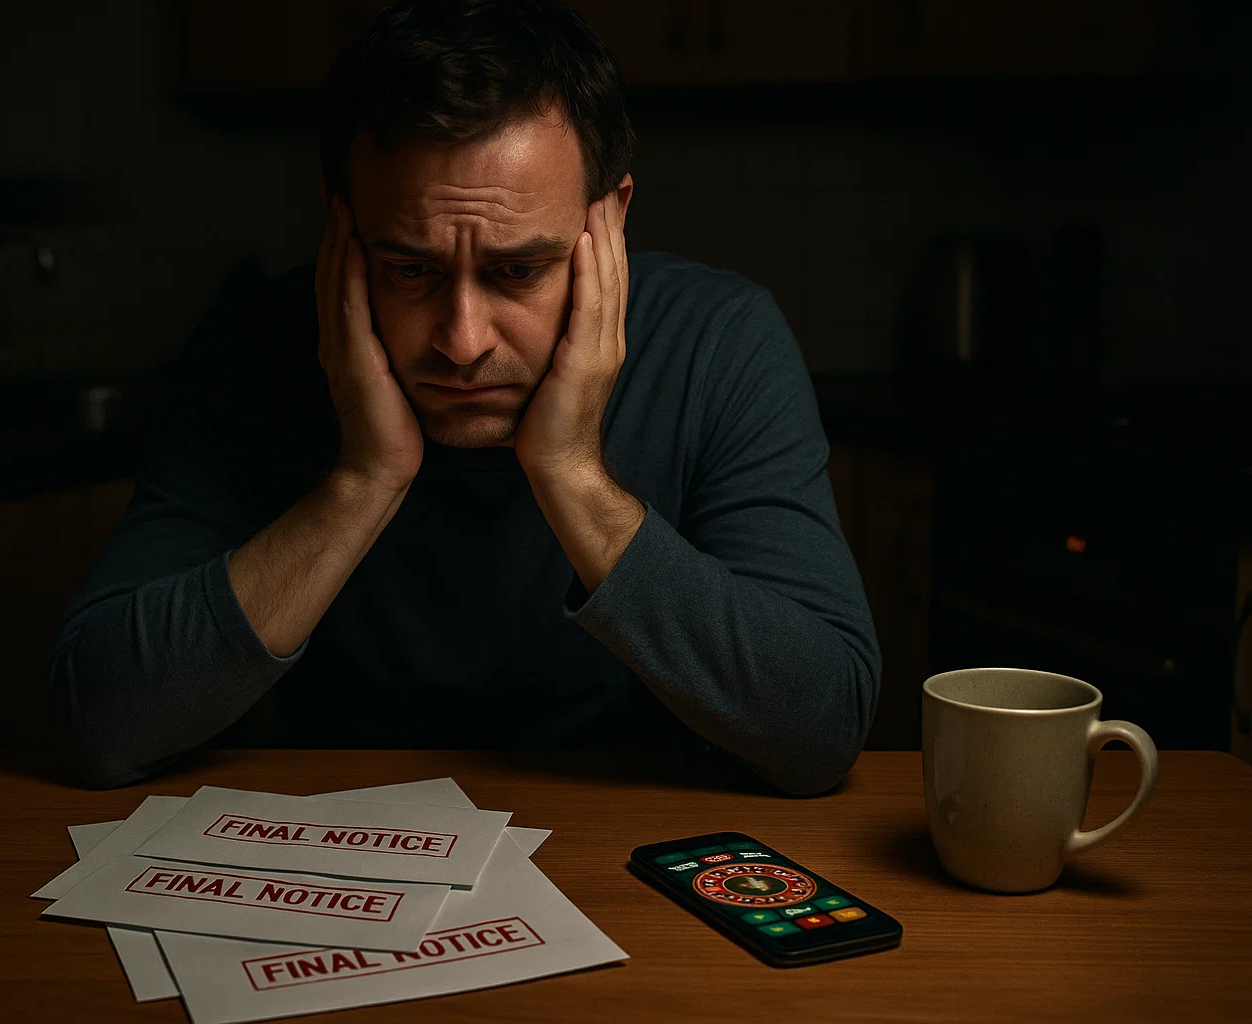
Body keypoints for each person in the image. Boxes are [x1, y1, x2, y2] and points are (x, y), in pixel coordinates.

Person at [49, 0, 879, 793]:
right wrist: (363, 480)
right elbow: (101, 723)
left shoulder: (718, 342)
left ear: (610, 226)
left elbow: (820, 729)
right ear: (344, 231)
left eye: (518, 271)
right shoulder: (252, 347)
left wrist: (570, 471)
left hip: (629, 845)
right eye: (410, 270)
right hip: (336, 846)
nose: (463, 339)